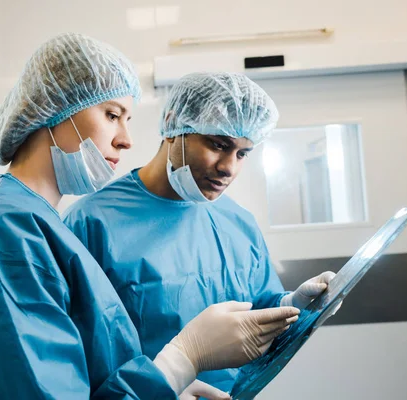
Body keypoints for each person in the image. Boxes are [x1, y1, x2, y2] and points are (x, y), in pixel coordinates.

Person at [0, 35, 300, 399]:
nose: (127, 140)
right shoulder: (4, 235)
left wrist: (165, 384)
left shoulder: (35, 222)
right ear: (56, 108)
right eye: (112, 115)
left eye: (127, 118)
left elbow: (83, 367)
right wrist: (183, 358)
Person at [64, 72, 337, 392]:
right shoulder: (90, 223)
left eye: (242, 153)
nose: (229, 167)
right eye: (219, 145)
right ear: (173, 125)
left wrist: (294, 304)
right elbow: (75, 354)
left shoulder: (238, 222)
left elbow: (255, 311)